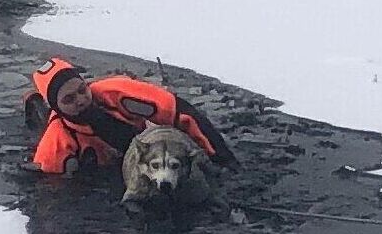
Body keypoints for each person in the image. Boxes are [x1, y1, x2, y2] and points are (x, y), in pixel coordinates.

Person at [24, 57, 238, 175]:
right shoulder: (55, 143)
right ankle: (34, 102)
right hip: (105, 163)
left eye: (82, 89)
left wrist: (223, 160)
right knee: (40, 127)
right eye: (69, 99)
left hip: (138, 142)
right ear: (57, 106)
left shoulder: (117, 93)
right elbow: (53, 194)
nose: (80, 99)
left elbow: (183, 113)